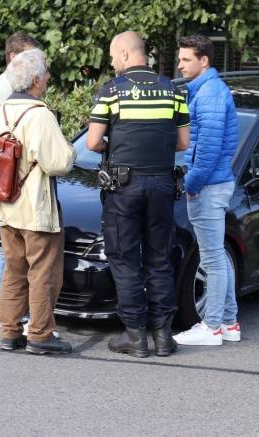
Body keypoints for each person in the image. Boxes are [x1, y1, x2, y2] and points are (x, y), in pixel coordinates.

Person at [86, 31, 190, 358]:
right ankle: (163, 337)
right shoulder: (173, 90)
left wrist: (116, 146)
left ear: (127, 55)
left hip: (124, 186)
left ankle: (135, 336)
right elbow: (183, 143)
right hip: (161, 184)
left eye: (114, 56)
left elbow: (92, 142)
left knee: (125, 258)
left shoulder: (112, 91)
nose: (112, 62)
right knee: (160, 259)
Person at [0, 48, 76, 355]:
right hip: (35, 207)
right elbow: (58, 162)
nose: (49, 77)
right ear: (37, 79)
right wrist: (70, 148)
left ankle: (10, 331)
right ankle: (40, 334)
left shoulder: (1, 111)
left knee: (14, 269)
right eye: (47, 72)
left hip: (5, 204)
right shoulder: (39, 115)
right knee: (43, 271)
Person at [173, 35, 240, 347]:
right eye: (180, 59)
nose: (180, 65)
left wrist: (191, 184)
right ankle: (228, 321)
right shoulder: (206, 89)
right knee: (219, 258)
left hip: (209, 186)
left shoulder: (210, 93)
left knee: (212, 259)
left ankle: (211, 326)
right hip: (214, 184)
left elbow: (209, 149)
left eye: (186, 59)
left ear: (204, 61)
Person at [0, 31, 41, 329]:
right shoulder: (10, 89)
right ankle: (2, 308)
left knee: (12, 246)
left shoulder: (7, 86)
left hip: (5, 175)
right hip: (11, 177)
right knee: (13, 248)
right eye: (30, 57)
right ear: (14, 58)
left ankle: (3, 308)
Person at [0, 32, 42, 124]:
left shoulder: (12, 82)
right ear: (14, 58)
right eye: (30, 57)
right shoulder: (8, 85)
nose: (36, 62)